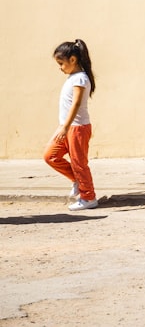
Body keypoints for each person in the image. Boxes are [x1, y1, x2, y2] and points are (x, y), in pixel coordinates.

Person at [44, 39, 99, 211]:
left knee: (79, 163)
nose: (60, 67)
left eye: (61, 63)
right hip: (67, 127)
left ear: (73, 60)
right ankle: (77, 180)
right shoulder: (73, 77)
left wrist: (66, 126)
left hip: (77, 128)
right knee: (50, 156)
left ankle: (89, 197)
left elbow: (75, 104)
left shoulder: (81, 78)